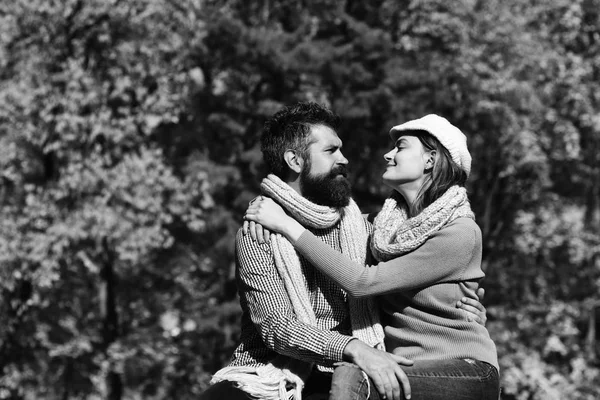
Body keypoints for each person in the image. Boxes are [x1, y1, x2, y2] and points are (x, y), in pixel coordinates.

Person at [201, 103, 487, 400]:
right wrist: (351, 347)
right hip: (277, 370)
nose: (344, 159)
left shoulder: (366, 231)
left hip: (350, 370)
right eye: (331, 151)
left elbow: (388, 277)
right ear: (295, 161)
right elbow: (278, 327)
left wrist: (467, 302)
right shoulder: (260, 232)